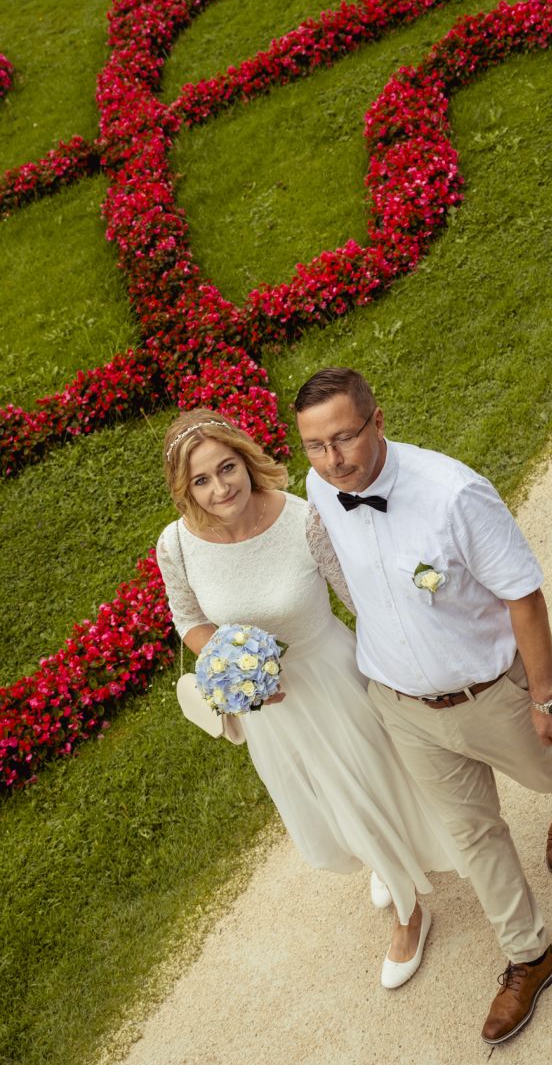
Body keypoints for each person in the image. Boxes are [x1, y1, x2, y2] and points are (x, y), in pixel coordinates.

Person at [295, 367, 552, 1044]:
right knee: (474, 834)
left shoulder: (455, 495)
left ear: (378, 420)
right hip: (401, 706)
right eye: (314, 445)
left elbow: (524, 595)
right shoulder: (320, 487)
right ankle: (529, 954)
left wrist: (545, 696)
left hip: (488, 695)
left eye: (343, 437)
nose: (332, 460)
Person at [156, 408, 465, 989]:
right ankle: (385, 859)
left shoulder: (305, 519)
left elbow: (358, 596)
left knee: (370, 779)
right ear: (185, 488)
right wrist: (231, 665)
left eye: (228, 468)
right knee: (323, 796)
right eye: (202, 480)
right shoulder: (175, 544)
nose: (220, 488)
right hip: (267, 705)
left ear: (247, 461)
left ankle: (409, 912)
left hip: (330, 675)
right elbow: (189, 619)